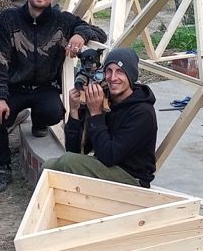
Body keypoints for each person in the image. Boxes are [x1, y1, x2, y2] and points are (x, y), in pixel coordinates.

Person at [0, 0, 106, 193]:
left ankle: (39, 122)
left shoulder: (62, 20)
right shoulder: (8, 19)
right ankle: (1, 168)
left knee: (53, 112)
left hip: (46, 88)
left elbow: (99, 32)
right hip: (14, 87)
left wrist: (81, 35)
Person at [45, 48, 157, 187]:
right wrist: (74, 111)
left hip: (131, 178)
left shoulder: (142, 112)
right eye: (109, 71)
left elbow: (109, 156)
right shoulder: (107, 100)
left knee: (66, 162)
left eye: (120, 71)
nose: (113, 77)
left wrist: (96, 114)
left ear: (131, 76)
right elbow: (75, 150)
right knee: (48, 166)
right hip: (106, 167)